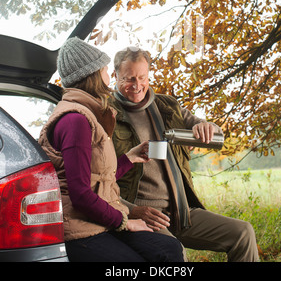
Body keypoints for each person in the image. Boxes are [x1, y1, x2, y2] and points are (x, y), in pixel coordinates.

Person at [38, 37, 184, 263]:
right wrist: (125, 221)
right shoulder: (75, 120)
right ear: (93, 75)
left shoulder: (87, 114)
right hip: (80, 228)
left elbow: (96, 179)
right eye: (105, 69)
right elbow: (81, 195)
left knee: (168, 249)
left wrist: (129, 158)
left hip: (96, 219)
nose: (108, 76)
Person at [112, 47, 259, 262]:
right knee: (176, 252)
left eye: (142, 77)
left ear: (149, 74)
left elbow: (210, 130)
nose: (137, 85)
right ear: (116, 75)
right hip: (142, 214)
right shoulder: (107, 114)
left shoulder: (167, 106)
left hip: (180, 210)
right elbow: (97, 179)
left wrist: (208, 127)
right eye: (129, 79)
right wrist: (131, 211)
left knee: (243, 233)